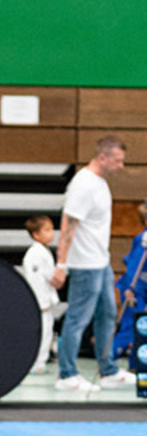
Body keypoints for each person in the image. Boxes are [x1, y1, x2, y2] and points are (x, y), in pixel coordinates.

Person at [50, 135, 136, 392]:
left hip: (101, 262)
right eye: (117, 161)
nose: (121, 166)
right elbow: (68, 225)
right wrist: (61, 264)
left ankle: (107, 370)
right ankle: (67, 374)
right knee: (78, 319)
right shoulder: (83, 185)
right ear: (102, 157)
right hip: (84, 265)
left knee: (108, 315)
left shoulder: (100, 183)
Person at [22, 216, 62, 375]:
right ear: (36, 234)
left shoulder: (42, 252)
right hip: (40, 302)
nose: (51, 233)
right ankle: (37, 364)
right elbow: (43, 278)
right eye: (46, 230)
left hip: (44, 302)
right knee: (43, 333)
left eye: (52, 229)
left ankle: (40, 363)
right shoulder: (36, 254)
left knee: (47, 333)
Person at [112, 216, 147, 362]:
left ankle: (136, 364)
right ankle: (108, 361)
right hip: (134, 289)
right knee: (132, 327)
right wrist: (130, 289)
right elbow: (133, 267)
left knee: (141, 329)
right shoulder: (142, 240)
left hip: (143, 287)